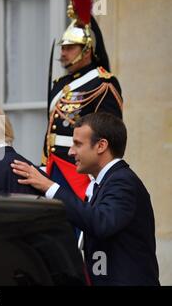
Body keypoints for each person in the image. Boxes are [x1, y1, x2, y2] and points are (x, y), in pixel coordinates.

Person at [12, 112, 159, 286]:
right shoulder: (106, 182)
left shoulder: (122, 181)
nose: (70, 151)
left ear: (101, 146)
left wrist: (50, 187)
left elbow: (101, 223)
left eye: (77, 144)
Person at [42, 0, 123, 201]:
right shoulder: (60, 84)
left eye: (69, 47)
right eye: (63, 47)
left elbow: (110, 134)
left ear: (86, 50)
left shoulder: (102, 83)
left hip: (82, 175)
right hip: (55, 169)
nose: (63, 52)